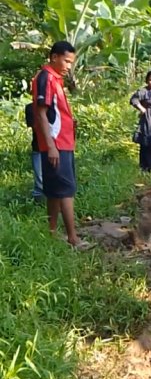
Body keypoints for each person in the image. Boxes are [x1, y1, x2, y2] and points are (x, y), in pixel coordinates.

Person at [32, 41, 85, 247]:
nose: (69, 66)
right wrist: (51, 145)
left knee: (54, 190)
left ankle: (52, 234)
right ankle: (73, 238)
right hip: (57, 144)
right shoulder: (45, 77)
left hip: (63, 142)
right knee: (66, 190)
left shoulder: (56, 79)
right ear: (54, 57)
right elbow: (41, 114)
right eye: (66, 61)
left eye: (71, 63)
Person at [25, 102, 44, 202]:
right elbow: (35, 127)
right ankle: (39, 202)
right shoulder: (31, 108)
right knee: (39, 181)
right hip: (38, 148)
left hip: (55, 147)